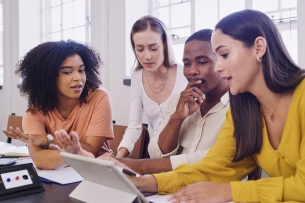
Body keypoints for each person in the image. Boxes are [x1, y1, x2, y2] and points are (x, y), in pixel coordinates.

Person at [106, 9, 305, 203]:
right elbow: (215, 167)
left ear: (258, 48)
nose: (218, 67)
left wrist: (231, 191)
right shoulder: (245, 109)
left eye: (224, 55)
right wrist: (146, 183)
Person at [101, 29, 229, 174]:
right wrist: (177, 118)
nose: (192, 71)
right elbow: (156, 153)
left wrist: (134, 165)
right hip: (170, 183)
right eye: (187, 64)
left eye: (202, 62)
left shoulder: (237, 106)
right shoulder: (179, 100)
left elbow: (212, 159)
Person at [3, 40, 114, 170]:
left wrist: (46, 140)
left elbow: (91, 150)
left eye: (81, 70)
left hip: (98, 174)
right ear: (48, 77)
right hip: (60, 179)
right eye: (67, 72)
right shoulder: (34, 112)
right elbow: (40, 160)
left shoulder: (99, 97)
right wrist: (71, 153)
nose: (78, 78)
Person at [116, 15, 188, 158]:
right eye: (140, 49)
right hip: (156, 156)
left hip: (185, 156)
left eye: (153, 48)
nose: (147, 56)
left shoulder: (185, 73)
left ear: (165, 45)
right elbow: (134, 127)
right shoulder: (137, 78)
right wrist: (117, 158)